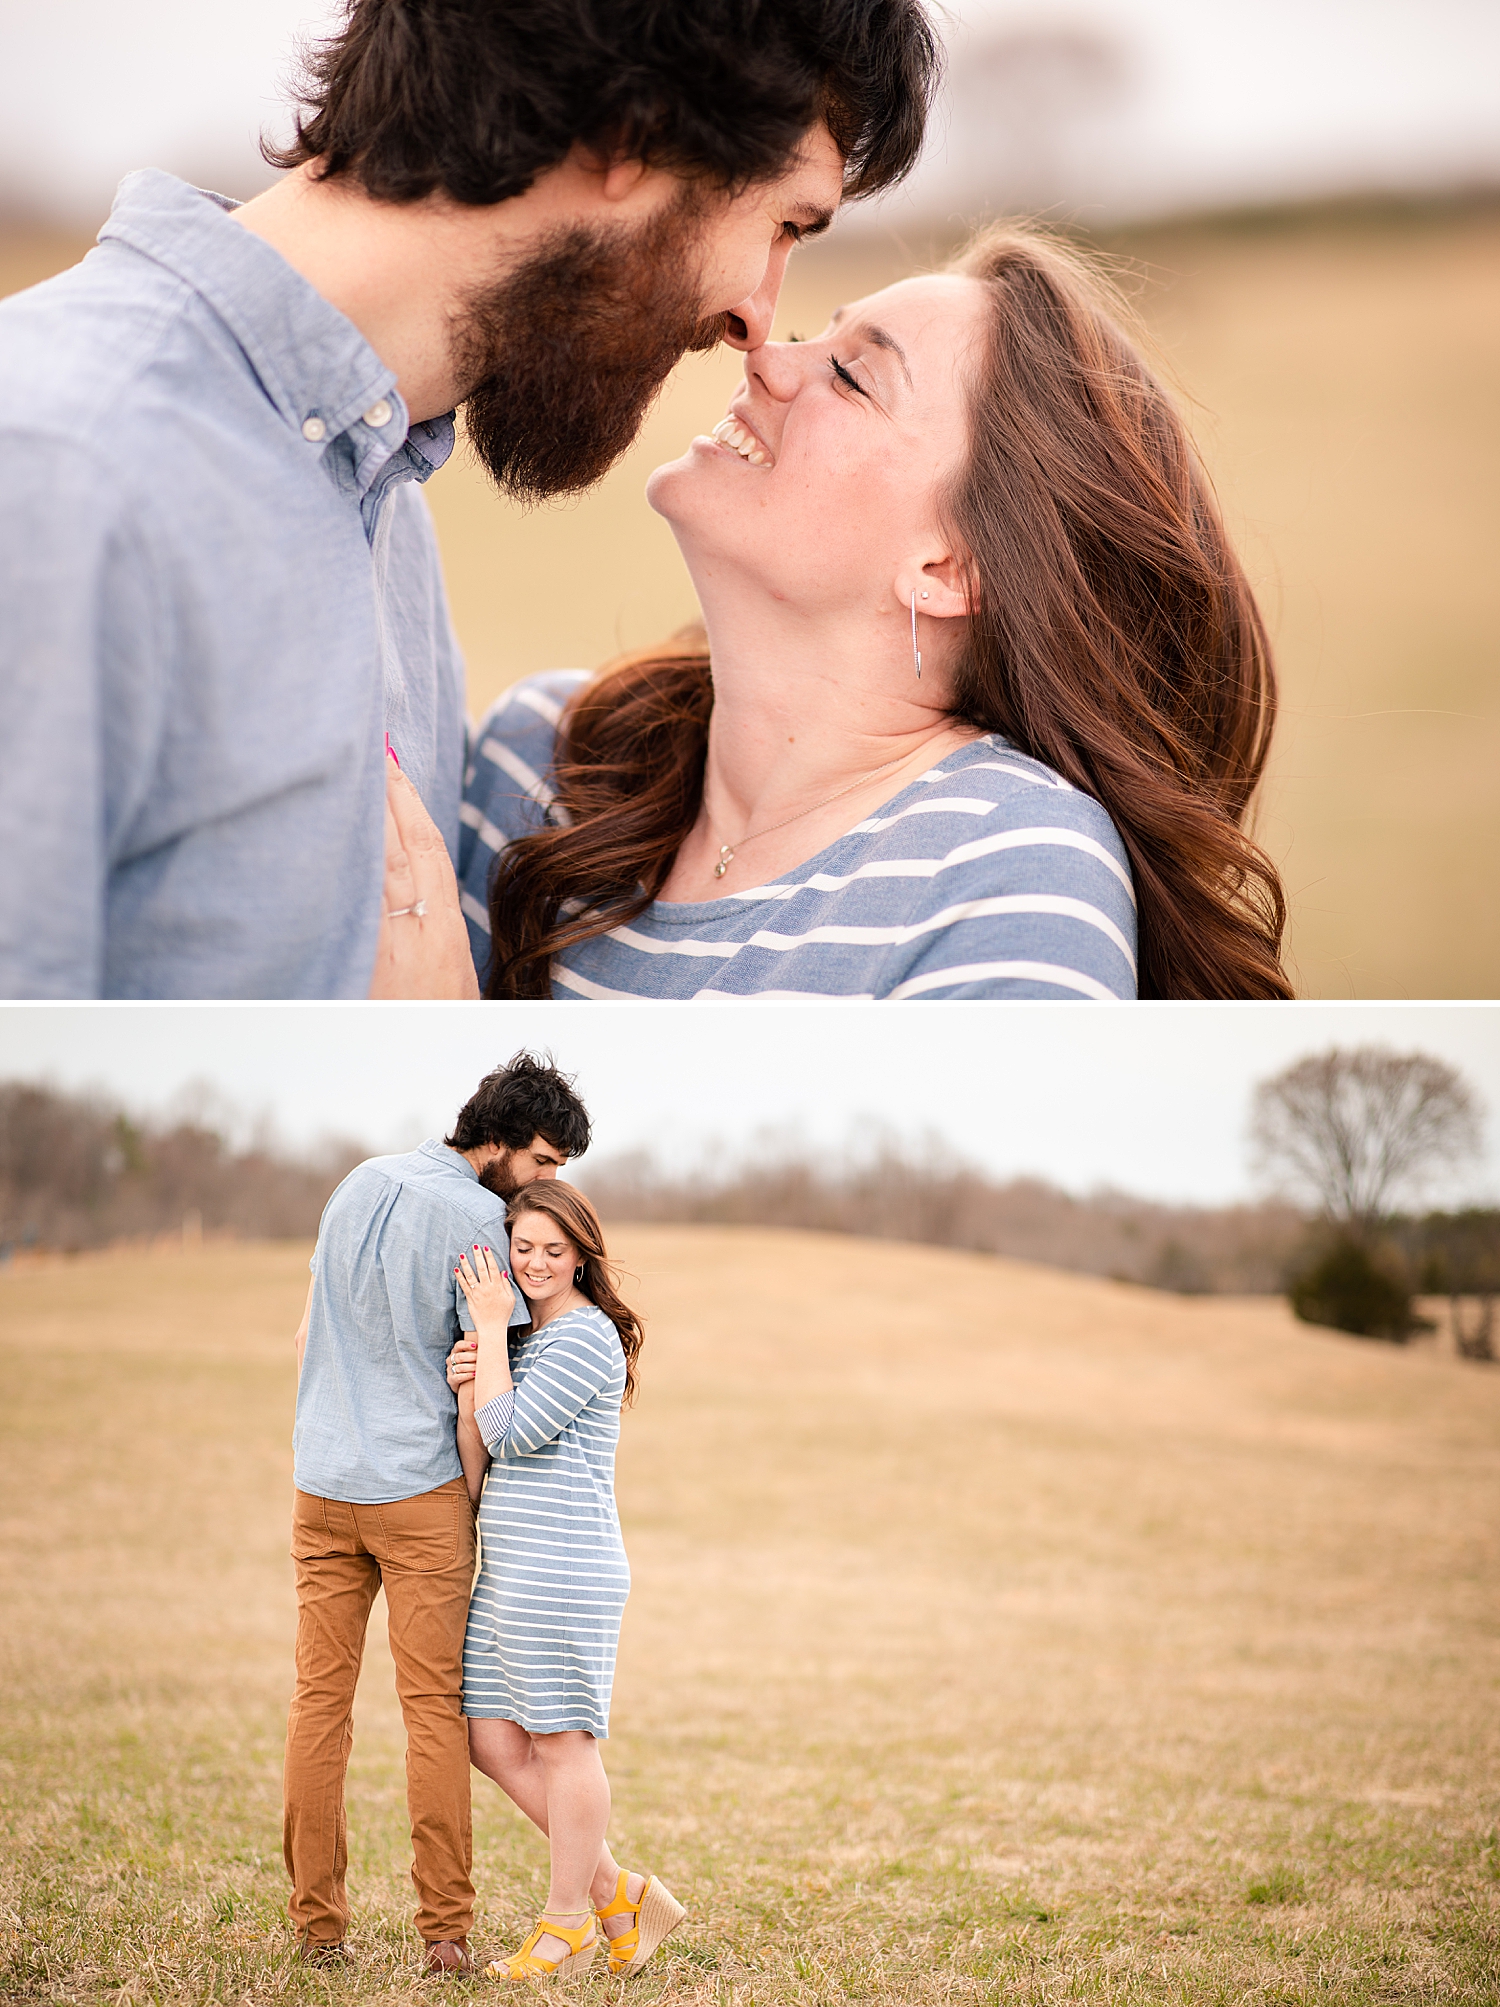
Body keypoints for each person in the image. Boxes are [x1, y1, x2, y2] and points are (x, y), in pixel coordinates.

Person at [0, 0, 938, 999]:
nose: (758, 316)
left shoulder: (380, 491)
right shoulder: (58, 477)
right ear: (633, 132)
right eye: (783, 223)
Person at [378, 224, 1289, 1000]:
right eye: (818, 333)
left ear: (945, 566)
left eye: (851, 377)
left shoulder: (1008, 868)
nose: (767, 357)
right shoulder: (539, 757)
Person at [284, 1053, 592, 1976]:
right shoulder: (480, 1223)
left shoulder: (356, 1181)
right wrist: (471, 1498)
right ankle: (446, 1935)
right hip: (417, 1494)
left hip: (320, 1480)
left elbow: (306, 1332)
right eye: (542, 1163)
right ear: (495, 1140)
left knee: (316, 1705)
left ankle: (316, 1925)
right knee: (432, 1713)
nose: (546, 1185)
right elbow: (481, 1379)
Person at [444, 1184, 670, 1981]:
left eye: (552, 1248)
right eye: (522, 1246)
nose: (534, 1263)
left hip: (566, 1567)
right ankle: (623, 1894)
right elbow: (478, 1466)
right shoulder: (524, 1341)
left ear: (581, 1254)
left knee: (563, 1745)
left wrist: (487, 1342)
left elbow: (515, 1432)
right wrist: (468, 1379)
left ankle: (568, 1919)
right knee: (492, 1740)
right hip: (510, 1567)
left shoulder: (583, 1338)